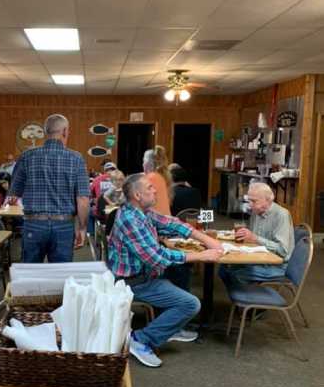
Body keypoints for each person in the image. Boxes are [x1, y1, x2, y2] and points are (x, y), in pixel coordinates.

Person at [108, 173, 223, 368]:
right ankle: (140, 339)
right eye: (149, 188)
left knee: (180, 274)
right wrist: (201, 256)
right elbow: (156, 257)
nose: (155, 191)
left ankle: (169, 328)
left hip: (146, 275)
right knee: (190, 304)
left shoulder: (141, 212)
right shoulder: (130, 220)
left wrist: (203, 238)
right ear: (137, 195)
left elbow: (171, 222)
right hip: (135, 282)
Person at [10, 114, 90, 263]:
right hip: (63, 225)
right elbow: (83, 199)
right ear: (65, 131)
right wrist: (82, 228)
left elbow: (14, 195)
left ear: (46, 132)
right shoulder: (76, 158)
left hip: (33, 224)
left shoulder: (26, 156)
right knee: (61, 276)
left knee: (30, 275)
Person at [219, 182, 294, 287]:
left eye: (253, 201)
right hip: (259, 258)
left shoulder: (281, 215)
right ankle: (241, 298)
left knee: (237, 274)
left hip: (276, 266)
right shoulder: (256, 211)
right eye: (249, 200)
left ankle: (247, 300)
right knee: (223, 268)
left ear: (268, 200)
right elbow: (251, 236)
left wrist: (255, 238)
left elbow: (282, 250)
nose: (250, 204)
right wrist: (244, 234)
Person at [143, 146, 172, 216]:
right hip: (166, 222)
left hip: (158, 224)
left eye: (143, 161)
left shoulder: (151, 178)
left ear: (147, 163)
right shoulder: (161, 177)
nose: (142, 164)